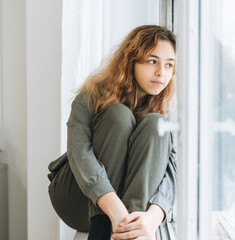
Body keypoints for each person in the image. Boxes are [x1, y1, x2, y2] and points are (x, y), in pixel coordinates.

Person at [47, 25, 177, 240]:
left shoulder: (167, 108)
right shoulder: (93, 95)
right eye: (152, 61)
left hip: (133, 206)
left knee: (156, 123)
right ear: (131, 60)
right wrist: (115, 210)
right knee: (118, 114)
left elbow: (173, 171)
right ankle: (105, 226)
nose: (161, 72)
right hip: (77, 198)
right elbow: (80, 153)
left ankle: (132, 230)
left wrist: (153, 217)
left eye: (169, 65)